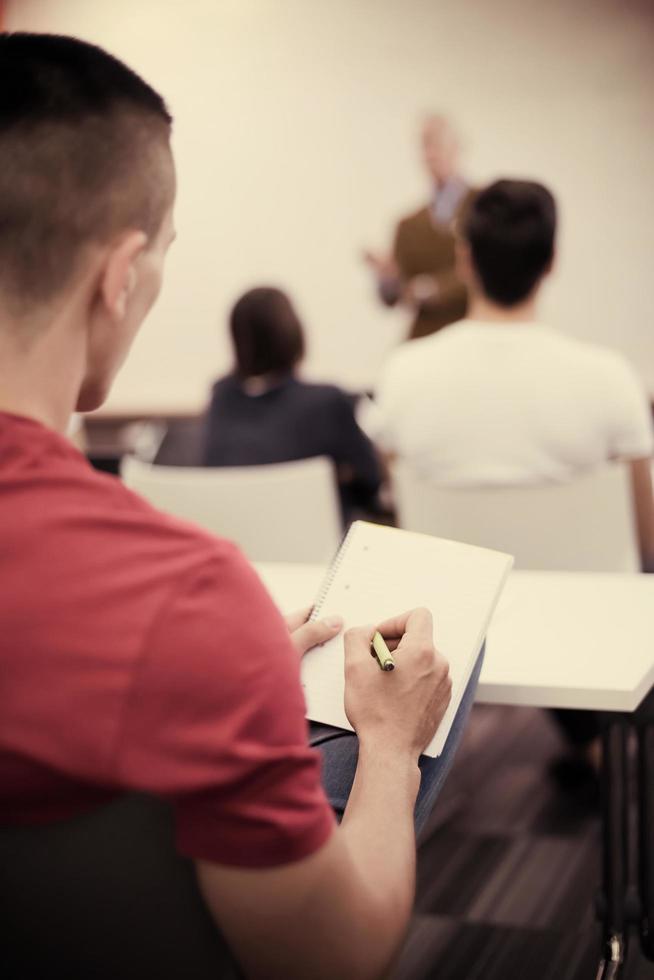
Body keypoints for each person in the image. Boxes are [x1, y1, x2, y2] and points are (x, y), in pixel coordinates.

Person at [0, 33, 480, 980]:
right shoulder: (185, 597)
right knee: (409, 678)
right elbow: (334, 961)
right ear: (121, 273)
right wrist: (386, 745)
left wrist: (231, 658)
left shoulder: (190, 594)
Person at [373, 178, 654, 792]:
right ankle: (607, 748)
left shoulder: (403, 374)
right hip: (587, 623)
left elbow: (396, 505)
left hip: (452, 616)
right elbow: (644, 534)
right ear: (550, 262)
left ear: (464, 259)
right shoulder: (610, 379)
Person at [202, 286, 382, 521]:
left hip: (240, 545)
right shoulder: (327, 401)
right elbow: (371, 482)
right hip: (316, 547)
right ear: (293, 333)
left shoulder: (222, 396)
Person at [364, 114, 471, 340]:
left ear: (457, 146)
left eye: (437, 143)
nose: (431, 154)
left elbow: (492, 268)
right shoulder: (408, 225)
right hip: (425, 337)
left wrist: (431, 289)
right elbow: (393, 298)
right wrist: (388, 278)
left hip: (470, 331)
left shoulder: (483, 205)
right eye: (425, 146)